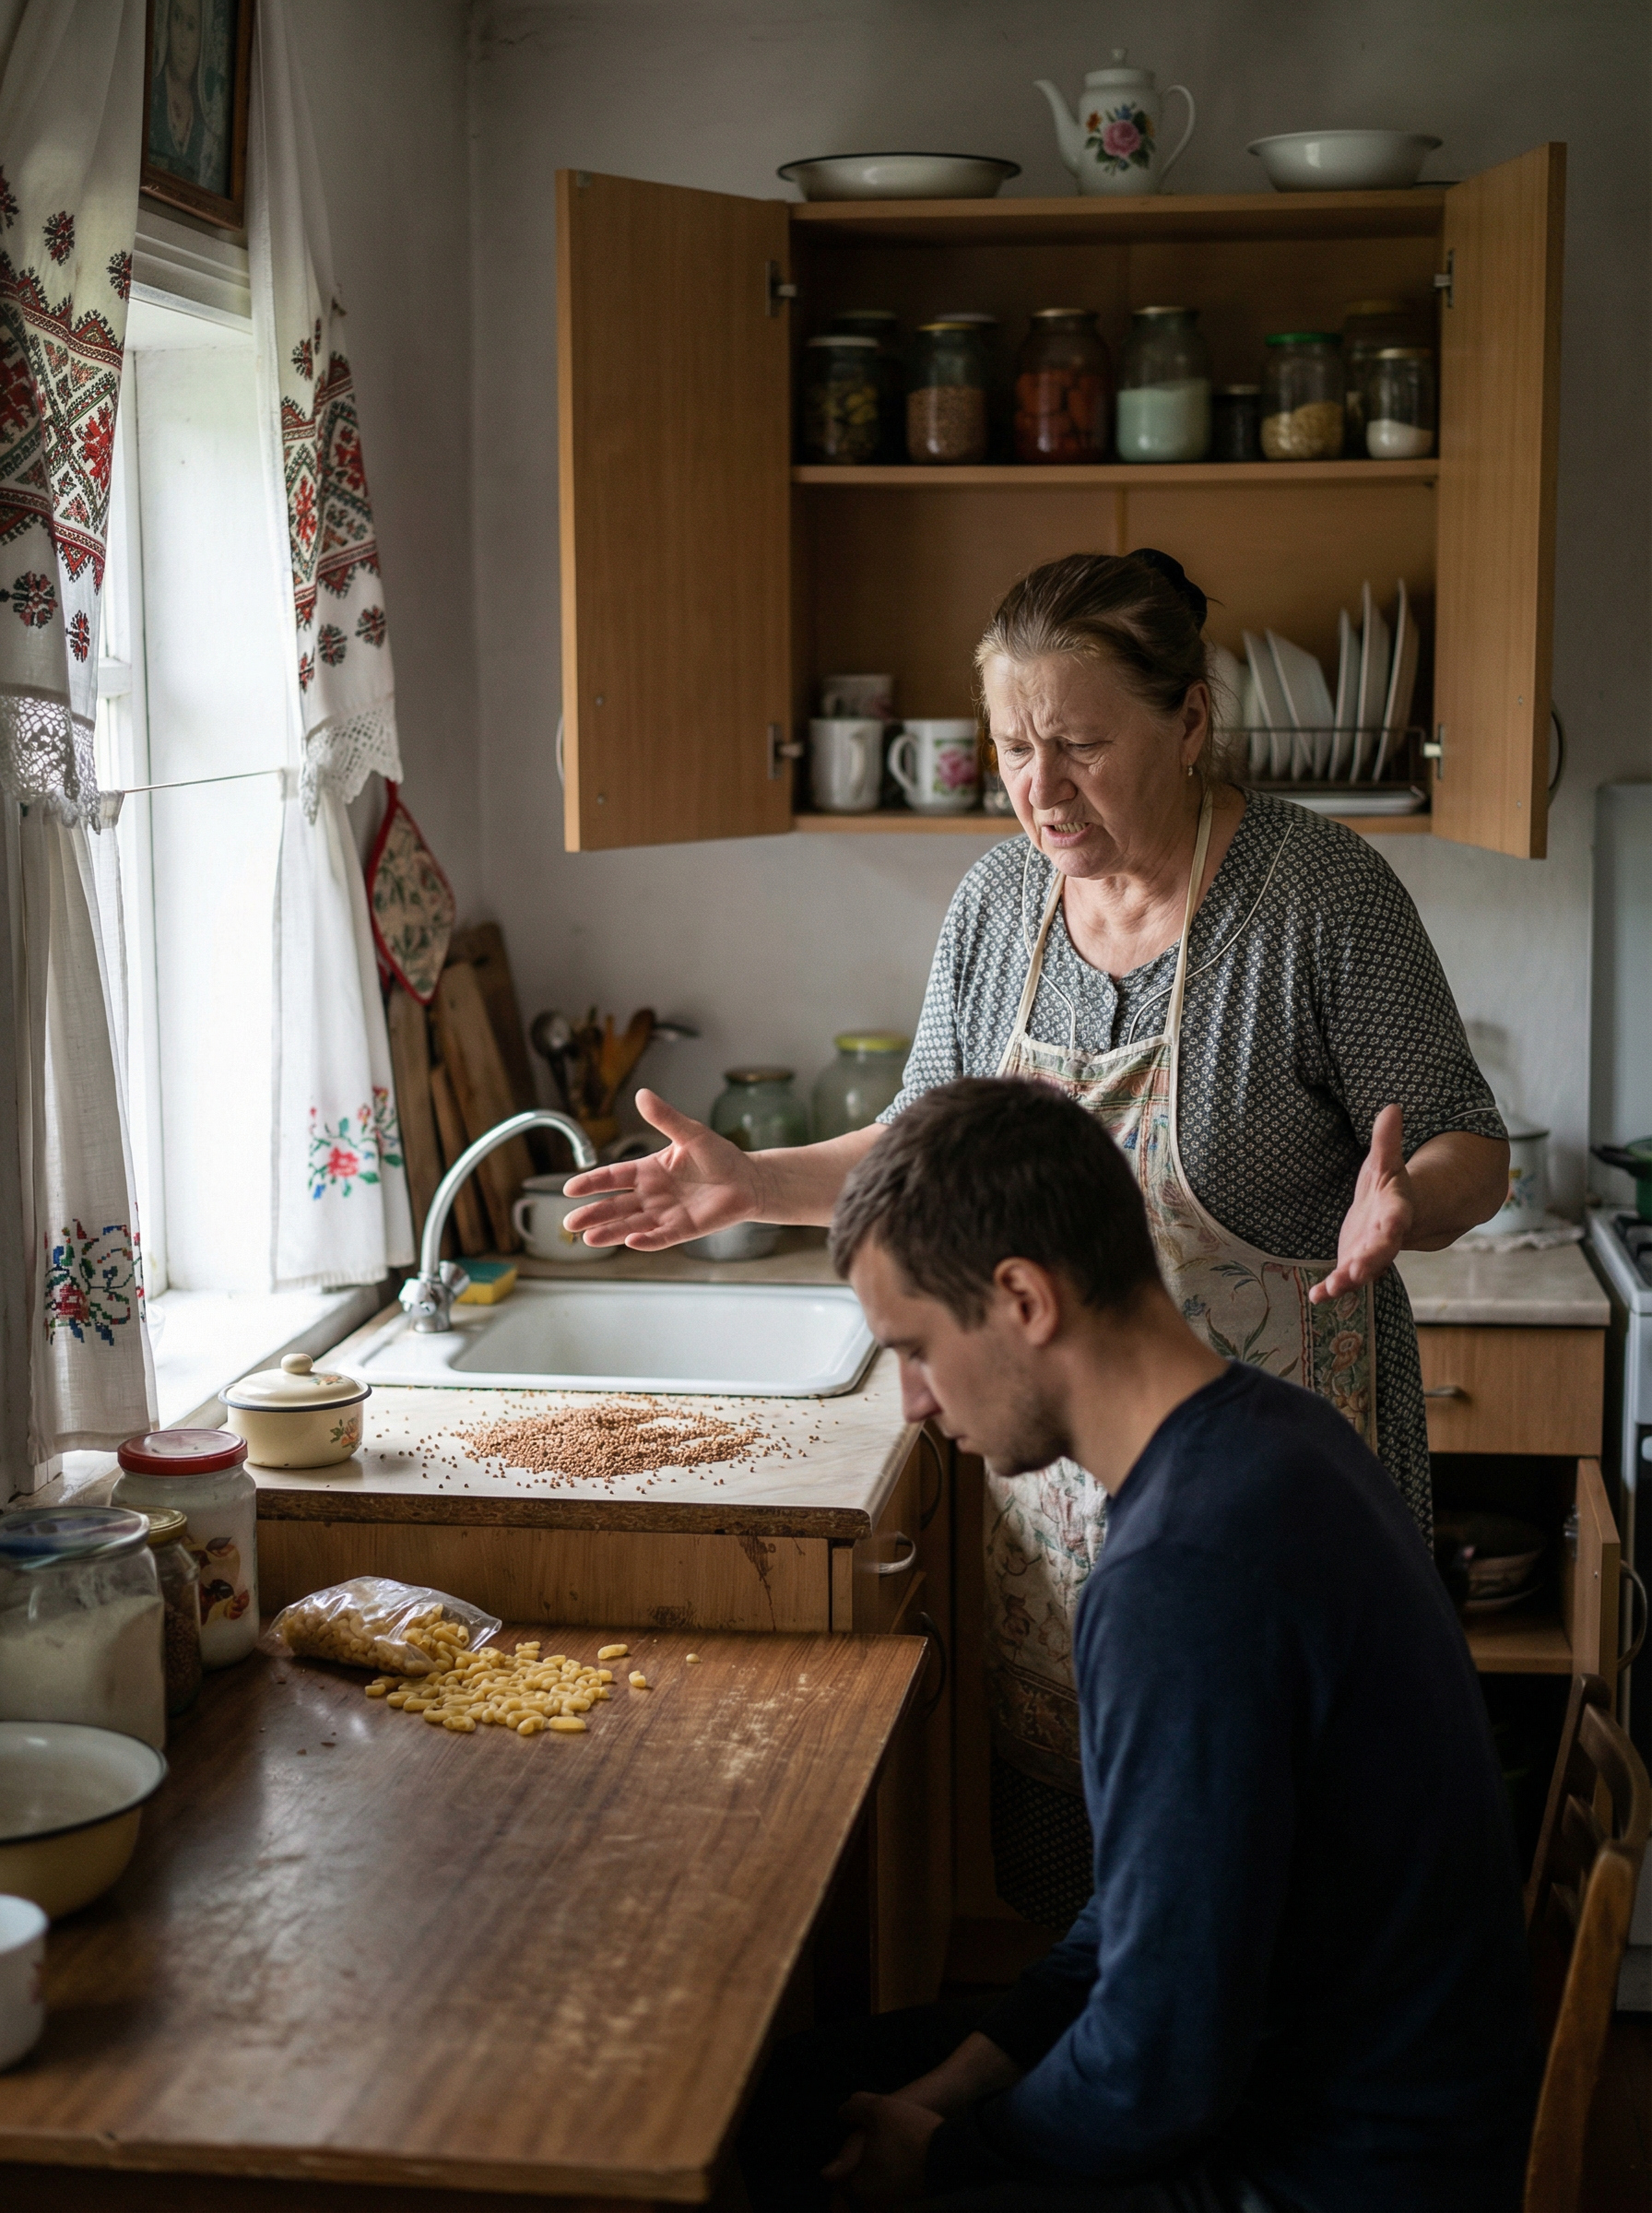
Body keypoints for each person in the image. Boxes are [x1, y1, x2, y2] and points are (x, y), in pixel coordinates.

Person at [566, 550, 1509, 1920]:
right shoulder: (1000, 909)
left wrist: (1411, 1199)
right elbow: (927, 1152)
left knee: (1282, 1888)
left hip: (1275, 1495)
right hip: (1061, 1518)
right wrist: (751, 1183)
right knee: (1089, 1898)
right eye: (1012, 747)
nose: (1039, 789)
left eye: (1079, 745)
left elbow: (1466, 1138)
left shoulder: (1317, 899)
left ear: (1191, 724)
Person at [738, 1078, 1537, 2213]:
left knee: (768, 2144)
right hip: (1341, 2083)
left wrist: (948, 2156)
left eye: (914, 1346)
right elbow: (1144, 1910)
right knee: (803, 2092)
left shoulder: (1183, 1575)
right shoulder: (1267, 1427)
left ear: (1022, 1299)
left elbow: (1158, 2068)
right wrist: (963, 2078)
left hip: (1336, 2169)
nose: (911, 1401)